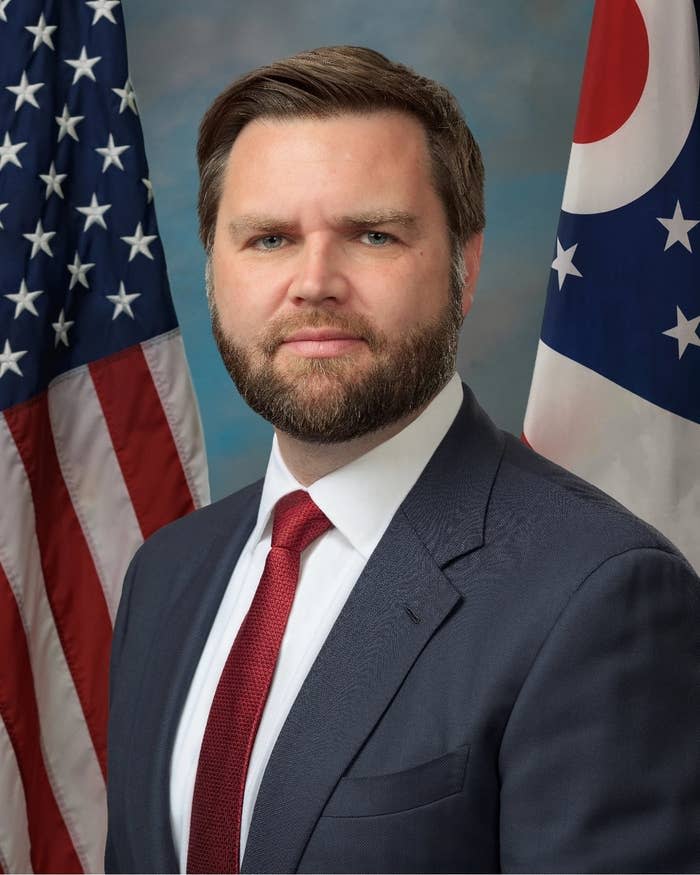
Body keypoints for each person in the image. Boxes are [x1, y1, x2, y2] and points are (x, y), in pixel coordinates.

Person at [105, 46, 700, 874]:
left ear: (466, 267)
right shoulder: (165, 575)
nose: (315, 282)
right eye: (269, 238)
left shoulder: (599, 595)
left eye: (373, 234)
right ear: (215, 271)